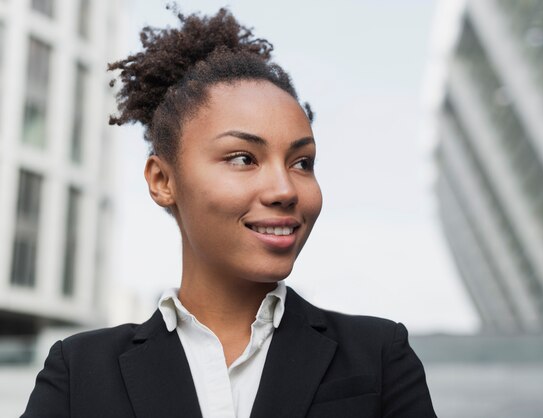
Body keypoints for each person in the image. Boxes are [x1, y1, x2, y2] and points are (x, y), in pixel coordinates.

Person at [22, 7, 436, 418]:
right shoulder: (80, 371)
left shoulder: (379, 356)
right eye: (242, 158)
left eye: (302, 162)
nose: (284, 189)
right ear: (163, 181)